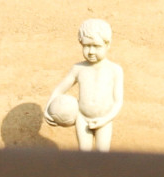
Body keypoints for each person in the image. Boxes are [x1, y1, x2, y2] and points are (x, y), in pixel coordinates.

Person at [45, 18, 123, 151]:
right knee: (84, 154)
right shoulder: (78, 68)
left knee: (102, 154)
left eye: (96, 46)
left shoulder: (114, 70)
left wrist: (105, 120)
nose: (91, 51)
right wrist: (48, 109)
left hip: (104, 120)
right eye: (86, 46)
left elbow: (118, 102)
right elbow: (59, 90)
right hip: (82, 118)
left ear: (107, 44)